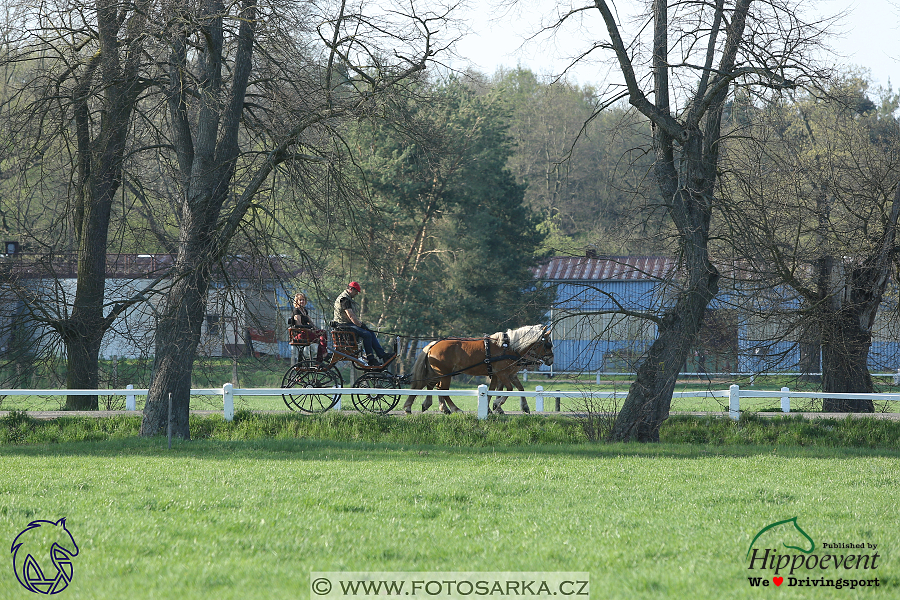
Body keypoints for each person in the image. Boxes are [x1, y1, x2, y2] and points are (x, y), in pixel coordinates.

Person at [333, 281, 394, 366]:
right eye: (356, 291)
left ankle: (383, 355)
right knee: (367, 334)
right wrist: (360, 325)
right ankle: (371, 359)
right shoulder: (344, 299)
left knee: (370, 332)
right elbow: (351, 316)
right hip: (343, 326)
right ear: (351, 289)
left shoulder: (347, 298)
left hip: (348, 325)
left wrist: (361, 324)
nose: (357, 294)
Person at [288, 292, 329, 364]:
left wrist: (315, 328)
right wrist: (310, 329)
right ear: (297, 301)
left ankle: (321, 357)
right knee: (321, 336)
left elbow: (310, 321)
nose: (302, 301)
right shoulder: (296, 311)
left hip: (307, 333)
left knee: (322, 333)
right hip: (300, 334)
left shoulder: (304, 311)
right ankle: (322, 355)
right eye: (300, 300)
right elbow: (299, 325)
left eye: (303, 300)